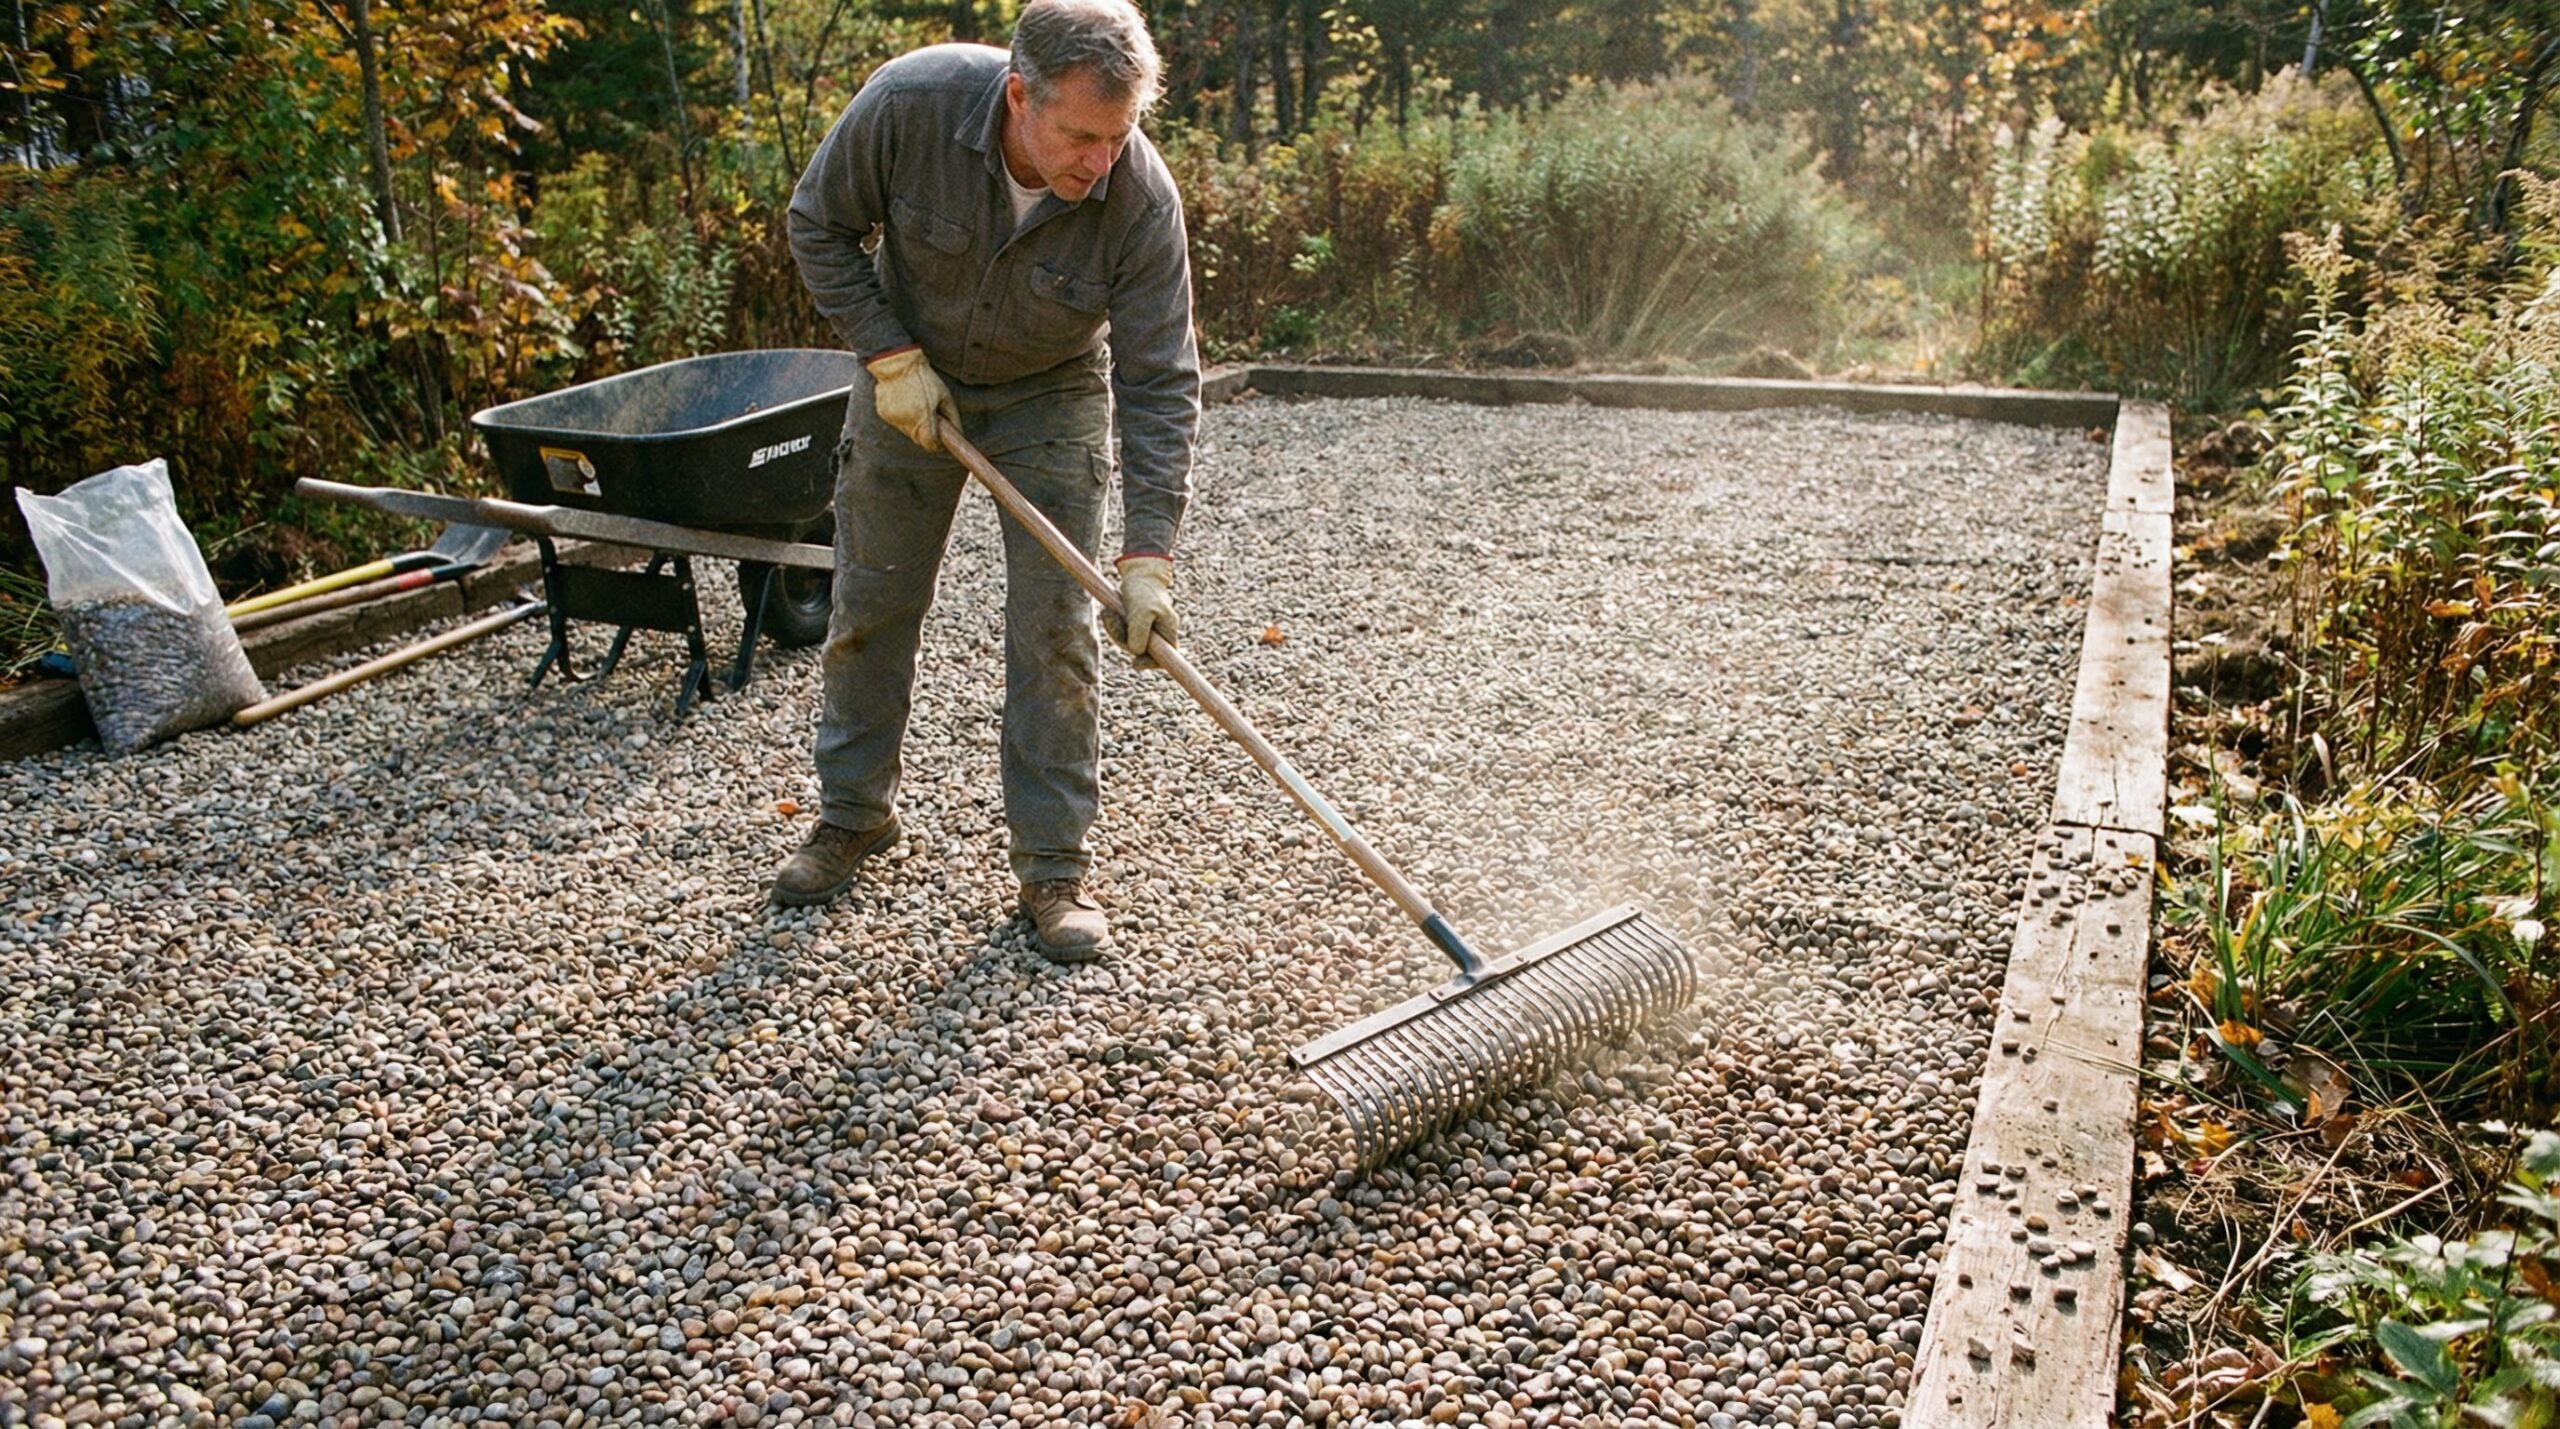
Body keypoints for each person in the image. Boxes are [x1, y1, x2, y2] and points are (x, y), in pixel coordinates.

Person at [772, 0, 1201, 967]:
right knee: (872, 600)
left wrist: (1148, 556)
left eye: (1120, 135)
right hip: (909, 376)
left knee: (1056, 630)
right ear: (1019, 96)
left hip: (1052, 392)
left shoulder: (1139, 197)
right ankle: (852, 814)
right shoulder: (908, 106)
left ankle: (1054, 866)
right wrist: (887, 354)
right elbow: (818, 225)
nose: (1102, 161)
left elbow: (1160, 379)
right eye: (1082, 137)